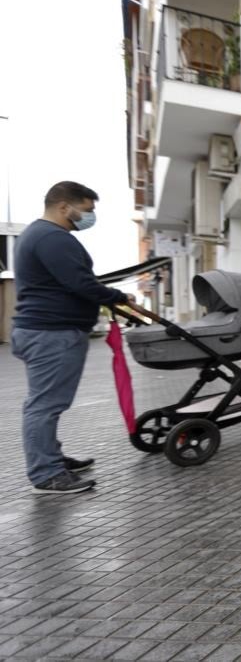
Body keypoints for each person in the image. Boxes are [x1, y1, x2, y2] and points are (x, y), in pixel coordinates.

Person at [11, 182, 133, 494]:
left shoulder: (39, 235)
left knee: (46, 403)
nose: (90, 217)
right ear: (64, 207)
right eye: (88, 210)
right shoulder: (53, 237)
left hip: (44, 331)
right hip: (52, 333)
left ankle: (51, 459)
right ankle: (46, 473)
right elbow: (80, 283)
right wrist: (118, 296)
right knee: (45, 405)